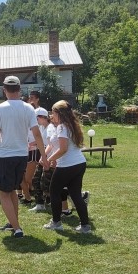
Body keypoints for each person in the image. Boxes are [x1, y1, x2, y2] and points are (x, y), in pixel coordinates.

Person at [0, 76, 48, 238]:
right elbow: (37, 134)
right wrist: (44, 156)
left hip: (5, 156)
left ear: (4, 90)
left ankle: (17, 228)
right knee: (13, 191)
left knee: (4, 193)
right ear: (20, 89)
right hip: (22, 155)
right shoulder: (28, 108)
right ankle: (13, 223)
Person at [43, 100, 91, 233]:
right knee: (76, 194)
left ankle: (56, 223)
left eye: (53, 112)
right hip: (79, 163)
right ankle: (85, 226)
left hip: (67, 165)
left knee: (54, 192)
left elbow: (63, 149)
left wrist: (49, 159)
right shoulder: (71, 125)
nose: (51, 115)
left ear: (59, 113)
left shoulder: (62, 127)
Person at [29, 108, 54, 212]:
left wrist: (45, 156)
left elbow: (51, 145)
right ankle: (40, 204)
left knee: (49, 183)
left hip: (49, 158)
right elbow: (40, 140)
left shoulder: (50, 128)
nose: (35, 121)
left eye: (36, 119)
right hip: (44, 156)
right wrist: (31, 144)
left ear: (42, 117)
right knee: (36, 180)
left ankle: (79, 197)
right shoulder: (42, 127)